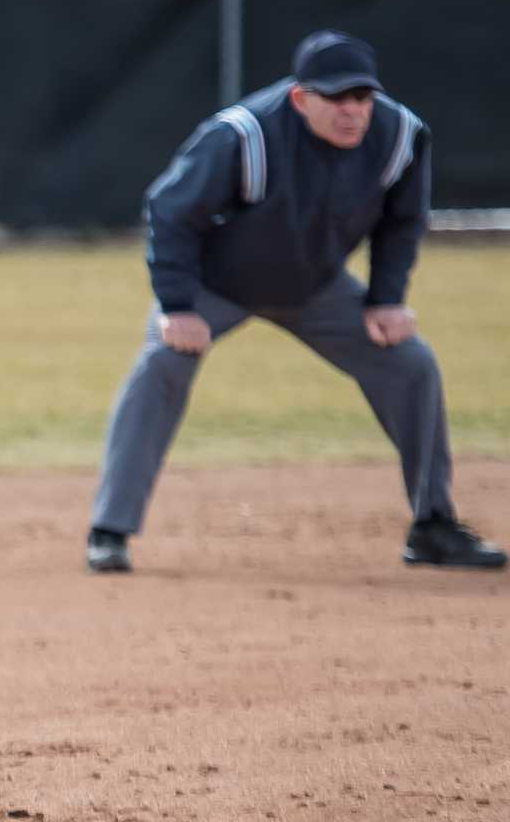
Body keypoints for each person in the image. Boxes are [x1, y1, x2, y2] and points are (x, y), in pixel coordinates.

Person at [87, 30, 504, 575]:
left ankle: (432, 525)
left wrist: (386, 300)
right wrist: (176, 307)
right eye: (336, 99)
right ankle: (110, 529)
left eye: (361, 98)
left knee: (412, 364)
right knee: (161, 363)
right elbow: (169, 210)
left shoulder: (400, 135)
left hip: (315, 287)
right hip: (216, 284)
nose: (352, 112)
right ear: (300, 98)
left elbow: (402, 223)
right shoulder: (243, 136)